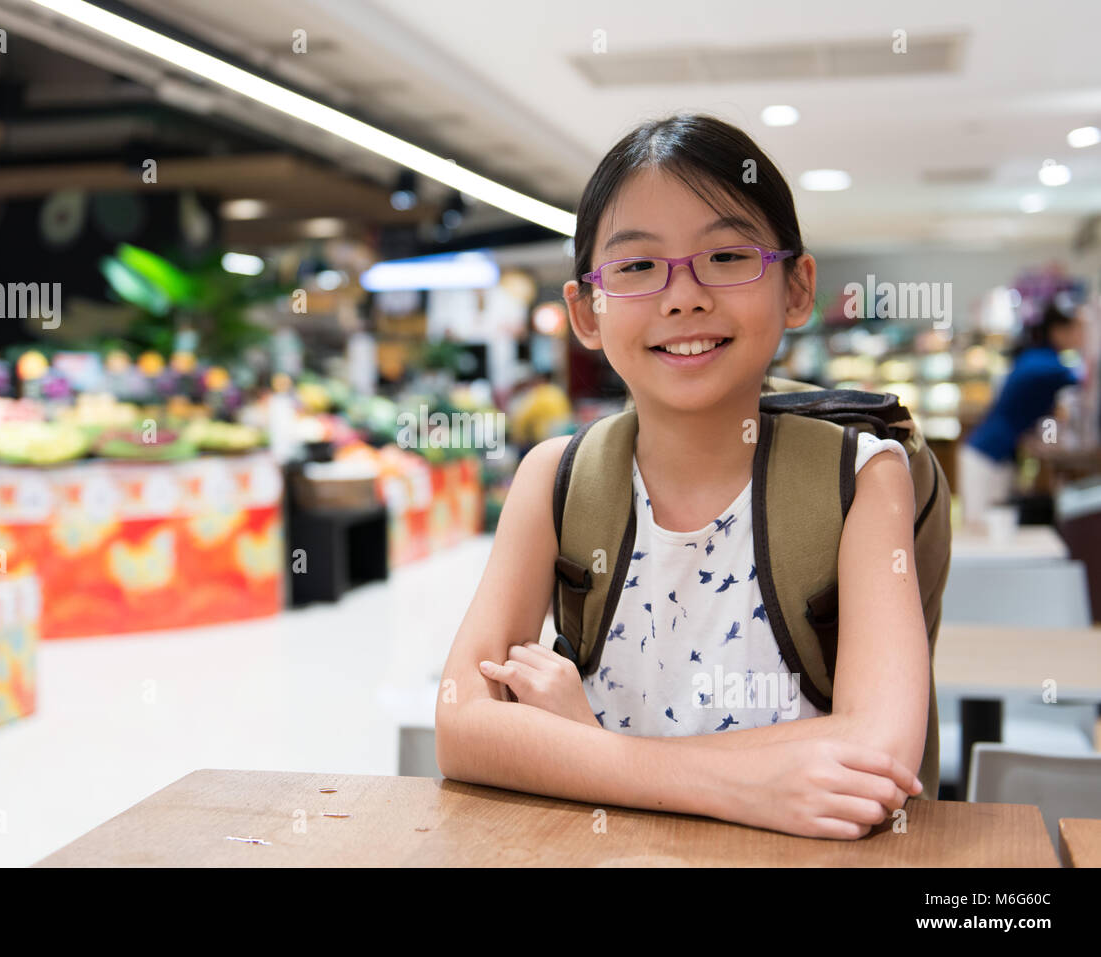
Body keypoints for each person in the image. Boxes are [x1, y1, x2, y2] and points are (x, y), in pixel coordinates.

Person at [435, 113, 927, 840]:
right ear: (586, 311)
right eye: (636, 267)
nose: (683, 296)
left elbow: (876, 756)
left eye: (727, 256)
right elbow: (460, 721)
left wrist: (585, 742)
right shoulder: (556, 478)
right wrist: (740, 782)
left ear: (797, 287)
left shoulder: (863, 478)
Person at [960, 300, 1086, 530]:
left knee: (995, 527)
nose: (1082, 336)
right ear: (1058, 331)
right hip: (988, 456)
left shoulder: (1038, 359)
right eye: (1078, 329)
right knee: (982, 529)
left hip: (996, 455)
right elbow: (1083, 380)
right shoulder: (1045, 365)